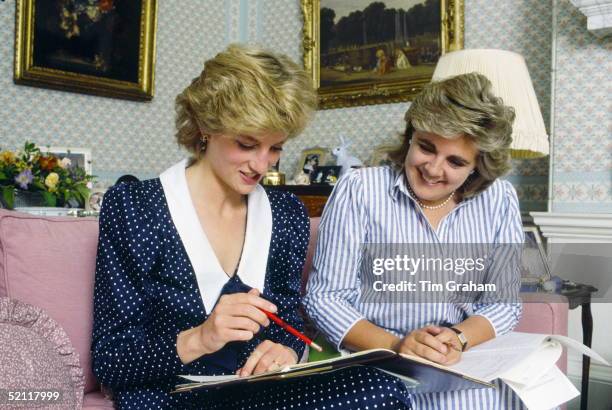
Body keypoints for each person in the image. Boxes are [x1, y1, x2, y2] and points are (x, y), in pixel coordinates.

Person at [92, 44, 411, 410]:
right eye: (247, 144)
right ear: (206, 127)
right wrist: (201, 338)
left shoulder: (286, 213)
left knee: (382, 386)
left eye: (275, 147)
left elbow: (287, 324)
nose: (261, 164)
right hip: (171, 396)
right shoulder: (135, 207)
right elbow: (110, 359)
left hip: (259, 394)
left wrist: (288, 350)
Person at [304, 72, 525, 409]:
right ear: (410, 136)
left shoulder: (499, 199)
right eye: (426, 147)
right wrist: (398, 346)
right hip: (379, 369)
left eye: (456, 161)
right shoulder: (359, 190)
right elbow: (325, 299)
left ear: (477, 167)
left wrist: (459, 338)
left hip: (464, 368)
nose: (434, 169)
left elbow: (504, 303)